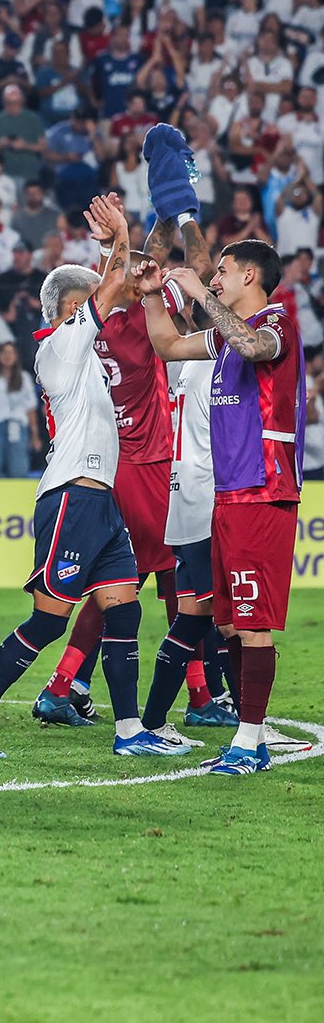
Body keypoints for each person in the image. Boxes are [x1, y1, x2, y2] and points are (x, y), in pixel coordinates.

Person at [0, 195, 190, 760]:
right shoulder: (57, 349)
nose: (101, 310)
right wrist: (119, 237)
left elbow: (114, 292)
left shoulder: (89, 357)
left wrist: (115, 250)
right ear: (66, 311)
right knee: (48, 621)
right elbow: (111, 289)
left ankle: (129, 731)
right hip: (70, 496)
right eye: (88, 304)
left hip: (102, 500)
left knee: (124, 609)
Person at [138, 236, 306, 774]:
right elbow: (168, 345)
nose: (214, 278)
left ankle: (250, 742)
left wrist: (200, 296)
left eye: (223, 271)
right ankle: (249, 737)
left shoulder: (278, 324)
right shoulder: (222, 338)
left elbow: (255, 347)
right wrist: (152, 295)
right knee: (231, 623)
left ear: (250, 276)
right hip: (227, 493)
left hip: (263, 488)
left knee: (253, 623)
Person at [32, 210, 180, 726]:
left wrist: (113, 246)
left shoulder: (87, 339)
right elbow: (141, 271)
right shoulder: (129, 326)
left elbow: (121, 279)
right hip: (142, 462)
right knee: (171, 580)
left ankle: (69, 684)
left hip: (113, 467)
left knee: (120, 586)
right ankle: (197, 695)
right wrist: (166, 211)